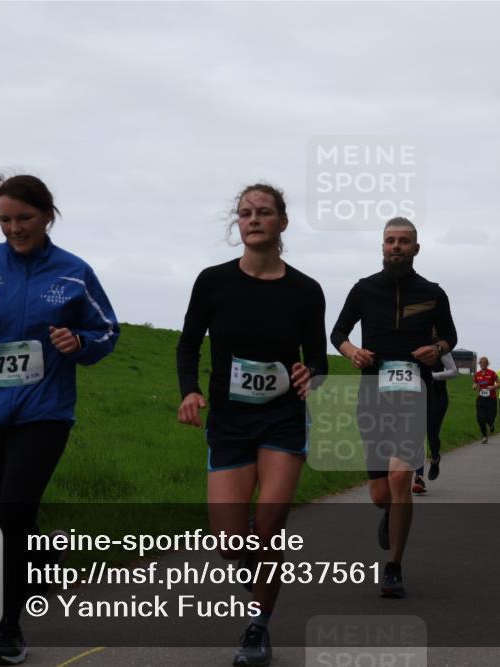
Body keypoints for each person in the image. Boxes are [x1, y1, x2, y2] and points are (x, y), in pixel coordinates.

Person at [0, 174, 120, 666]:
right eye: (6, 219)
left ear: (47, 215)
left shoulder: (74, 273)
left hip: (44, 413)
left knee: (12, 513)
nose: (14, 228)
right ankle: (45, 552)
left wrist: (79, 343)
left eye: (24, 218)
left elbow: (106, 331)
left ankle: (7, 629)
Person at [176, 184, 327, 667]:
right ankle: (253, 569)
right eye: (245, 213)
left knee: (269, 526)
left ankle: (258, 628)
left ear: (282, 222)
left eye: (264, 212)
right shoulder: (213, 282)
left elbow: (319, 362)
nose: (253, 219)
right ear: (237, 224)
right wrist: (189, 390)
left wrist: (309, 375)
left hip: (283, 421)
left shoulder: (306, 290)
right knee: (227, 545)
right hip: (229, 422)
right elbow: (187, 345)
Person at [331, 217, 457, 599]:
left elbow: (451, 336)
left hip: (413, 393)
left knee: (401, 478)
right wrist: (353, 352)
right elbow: (338, 333)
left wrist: (436, 349)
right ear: (382, 247)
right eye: (390, 241)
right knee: (381, 494)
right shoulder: (364, 289)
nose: (396, 247)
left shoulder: (433, 293)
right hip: (372, 394)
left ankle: (394, 566)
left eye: (404, 241)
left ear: (416, 248)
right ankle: (390, 511)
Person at [413, 333, 458, 494]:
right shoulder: (413, 344)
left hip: (438, 397)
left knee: (432, 434)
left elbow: (453, 371)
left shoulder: (440, 348)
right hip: (418, 396)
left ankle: (435, 458)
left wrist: (432, 376)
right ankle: (418, 478)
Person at [473, 357, 499, 443]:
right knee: (480, 418)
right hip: (481, 398)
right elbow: (475, 383)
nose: (482, 364)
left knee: (490, 416)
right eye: (480, 363)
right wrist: (474, 386)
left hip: (491, 398)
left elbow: (499, 383)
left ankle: (491, 424)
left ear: (487, 364)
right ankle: (484, 436)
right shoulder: (477, 374)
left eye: (484, 363)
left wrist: (493, 387)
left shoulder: (492, 373)